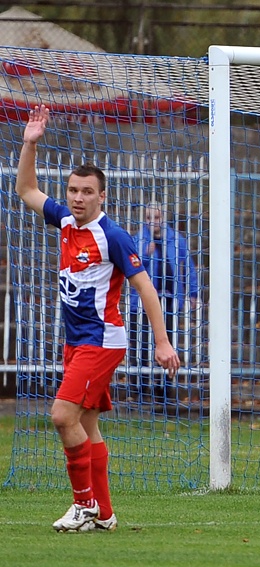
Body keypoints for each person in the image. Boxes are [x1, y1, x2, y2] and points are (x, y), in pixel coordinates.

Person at [16, 105, 180, 531]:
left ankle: (84, 504)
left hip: (101, 342)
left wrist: (162, 342)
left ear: (101, 195)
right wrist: (30, 142)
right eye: (73, 189)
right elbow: (26, 190)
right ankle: (105, 515)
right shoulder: (66, 222)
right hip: (77, 341)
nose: (77, 197)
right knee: (86, 423)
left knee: (61, 416)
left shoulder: (113, 235)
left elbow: (145, 287)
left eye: (86, 191)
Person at [128, 202, 199, 408]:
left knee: (167, 343)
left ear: (164, 218)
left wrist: (192, 293)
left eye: (157, 217)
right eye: (149, 217)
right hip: (141, 302)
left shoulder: (176, 240)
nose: (153, 222)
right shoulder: (138, 240)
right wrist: (146, 255)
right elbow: (131, 267)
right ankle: (139, 389)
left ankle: (164, 389)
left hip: (168, 299)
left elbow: (188, 267)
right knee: (140, 345)